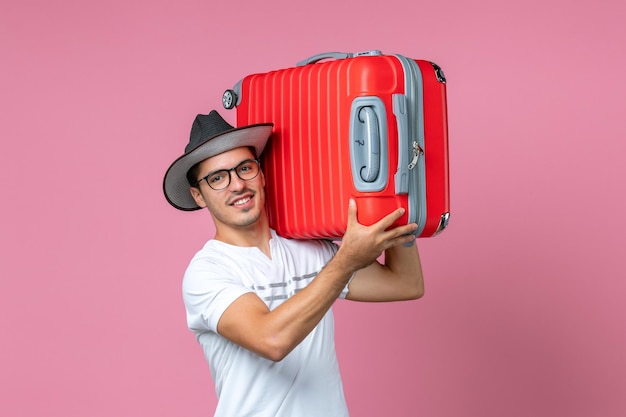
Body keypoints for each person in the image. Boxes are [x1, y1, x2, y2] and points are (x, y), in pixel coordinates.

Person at [163, 110, 425, 417]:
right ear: (199, 195)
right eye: (217, 178)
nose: (236, 185)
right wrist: (345, 261)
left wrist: (399, 200)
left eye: (244, 168)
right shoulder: (208, 272)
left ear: (260, 174)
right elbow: (271, 339)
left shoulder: (309, 248)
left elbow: (405, 283)